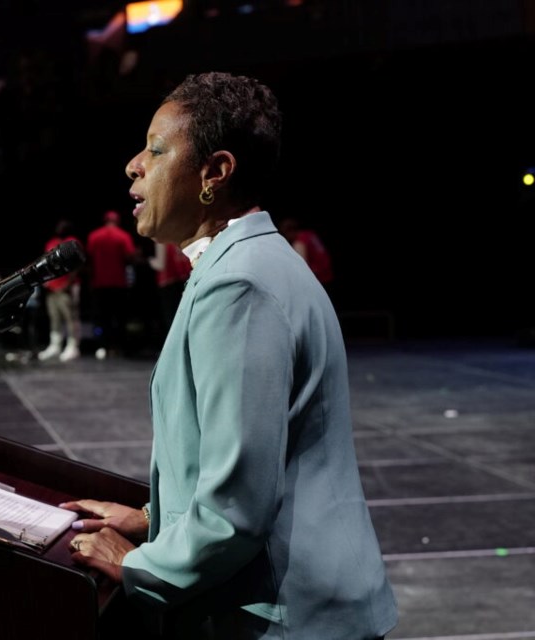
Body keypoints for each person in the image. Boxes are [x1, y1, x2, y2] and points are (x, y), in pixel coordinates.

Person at [59, 71, 397, 639]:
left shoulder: (238, 284)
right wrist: (152, 519)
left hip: (287, 617)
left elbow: (236, 507)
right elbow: (253, 460)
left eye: (157, 149)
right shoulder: (244, 264)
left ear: (214, 172)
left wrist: (137, 564)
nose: (133, 164)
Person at [85, 210, 136, 359]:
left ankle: (102, 347)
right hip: (118, 283)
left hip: (99, 283)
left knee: (102, 317)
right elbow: (130, 257)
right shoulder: (123, 236)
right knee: (119, 318)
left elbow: (89, 260)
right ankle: (118, 347)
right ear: (117, 221)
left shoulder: (94, 236)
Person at [37, 219, 83, 362]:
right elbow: (44, 263)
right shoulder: (51, 242)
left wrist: (68, 285)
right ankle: (55, 345)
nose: (60, 228)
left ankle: (73, 346)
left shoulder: (73, 242)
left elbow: (77, 266)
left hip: (67, 287)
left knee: (70, 317)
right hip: (52, 288)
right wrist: (45, 281)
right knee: (54, 317)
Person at [148, 241, 192, 335]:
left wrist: (148, 260)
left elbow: (160, 264)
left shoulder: (161, 241)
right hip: (185, 279)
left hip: (168, 282)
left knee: (171, 317)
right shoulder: (177, 238)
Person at [278, 216, 334, 290]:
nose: (286, 238)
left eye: (284, 233)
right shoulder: (309, 234)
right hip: (328, 274)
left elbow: (302, 267)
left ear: (290, 231)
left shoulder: (299, 242)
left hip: (320, 280)